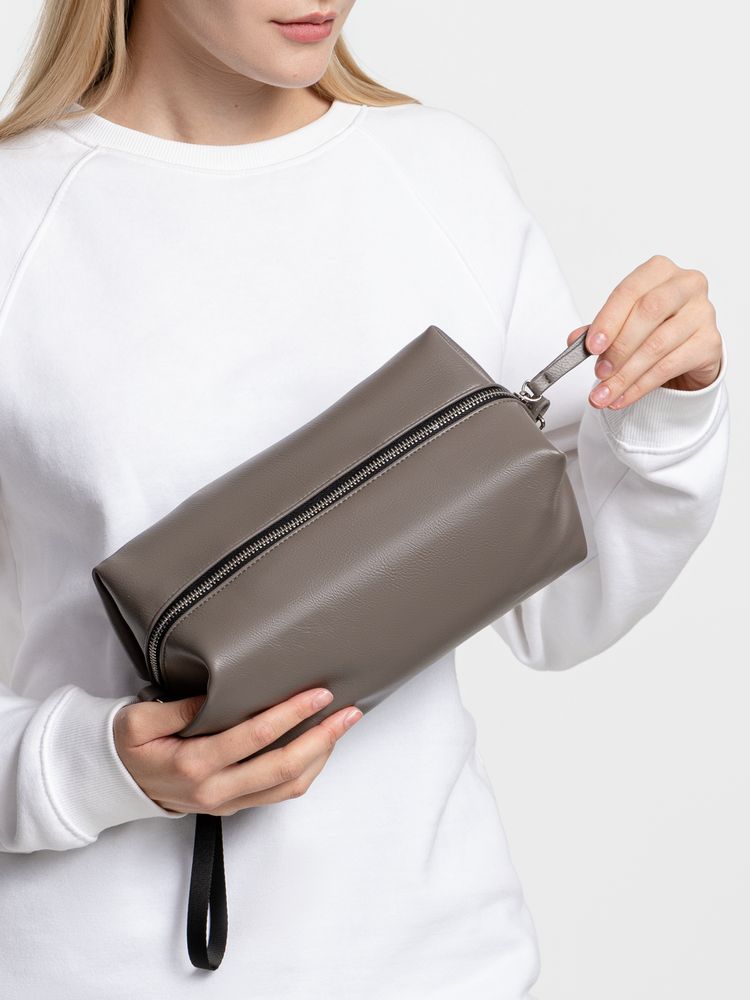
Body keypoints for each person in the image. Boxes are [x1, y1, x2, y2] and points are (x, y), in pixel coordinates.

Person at [0, 2, 730, 998]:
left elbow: (561, 610)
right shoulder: (19, 217)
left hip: (434, 962)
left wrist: (668, 412)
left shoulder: (440, 175)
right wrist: (91, 767)